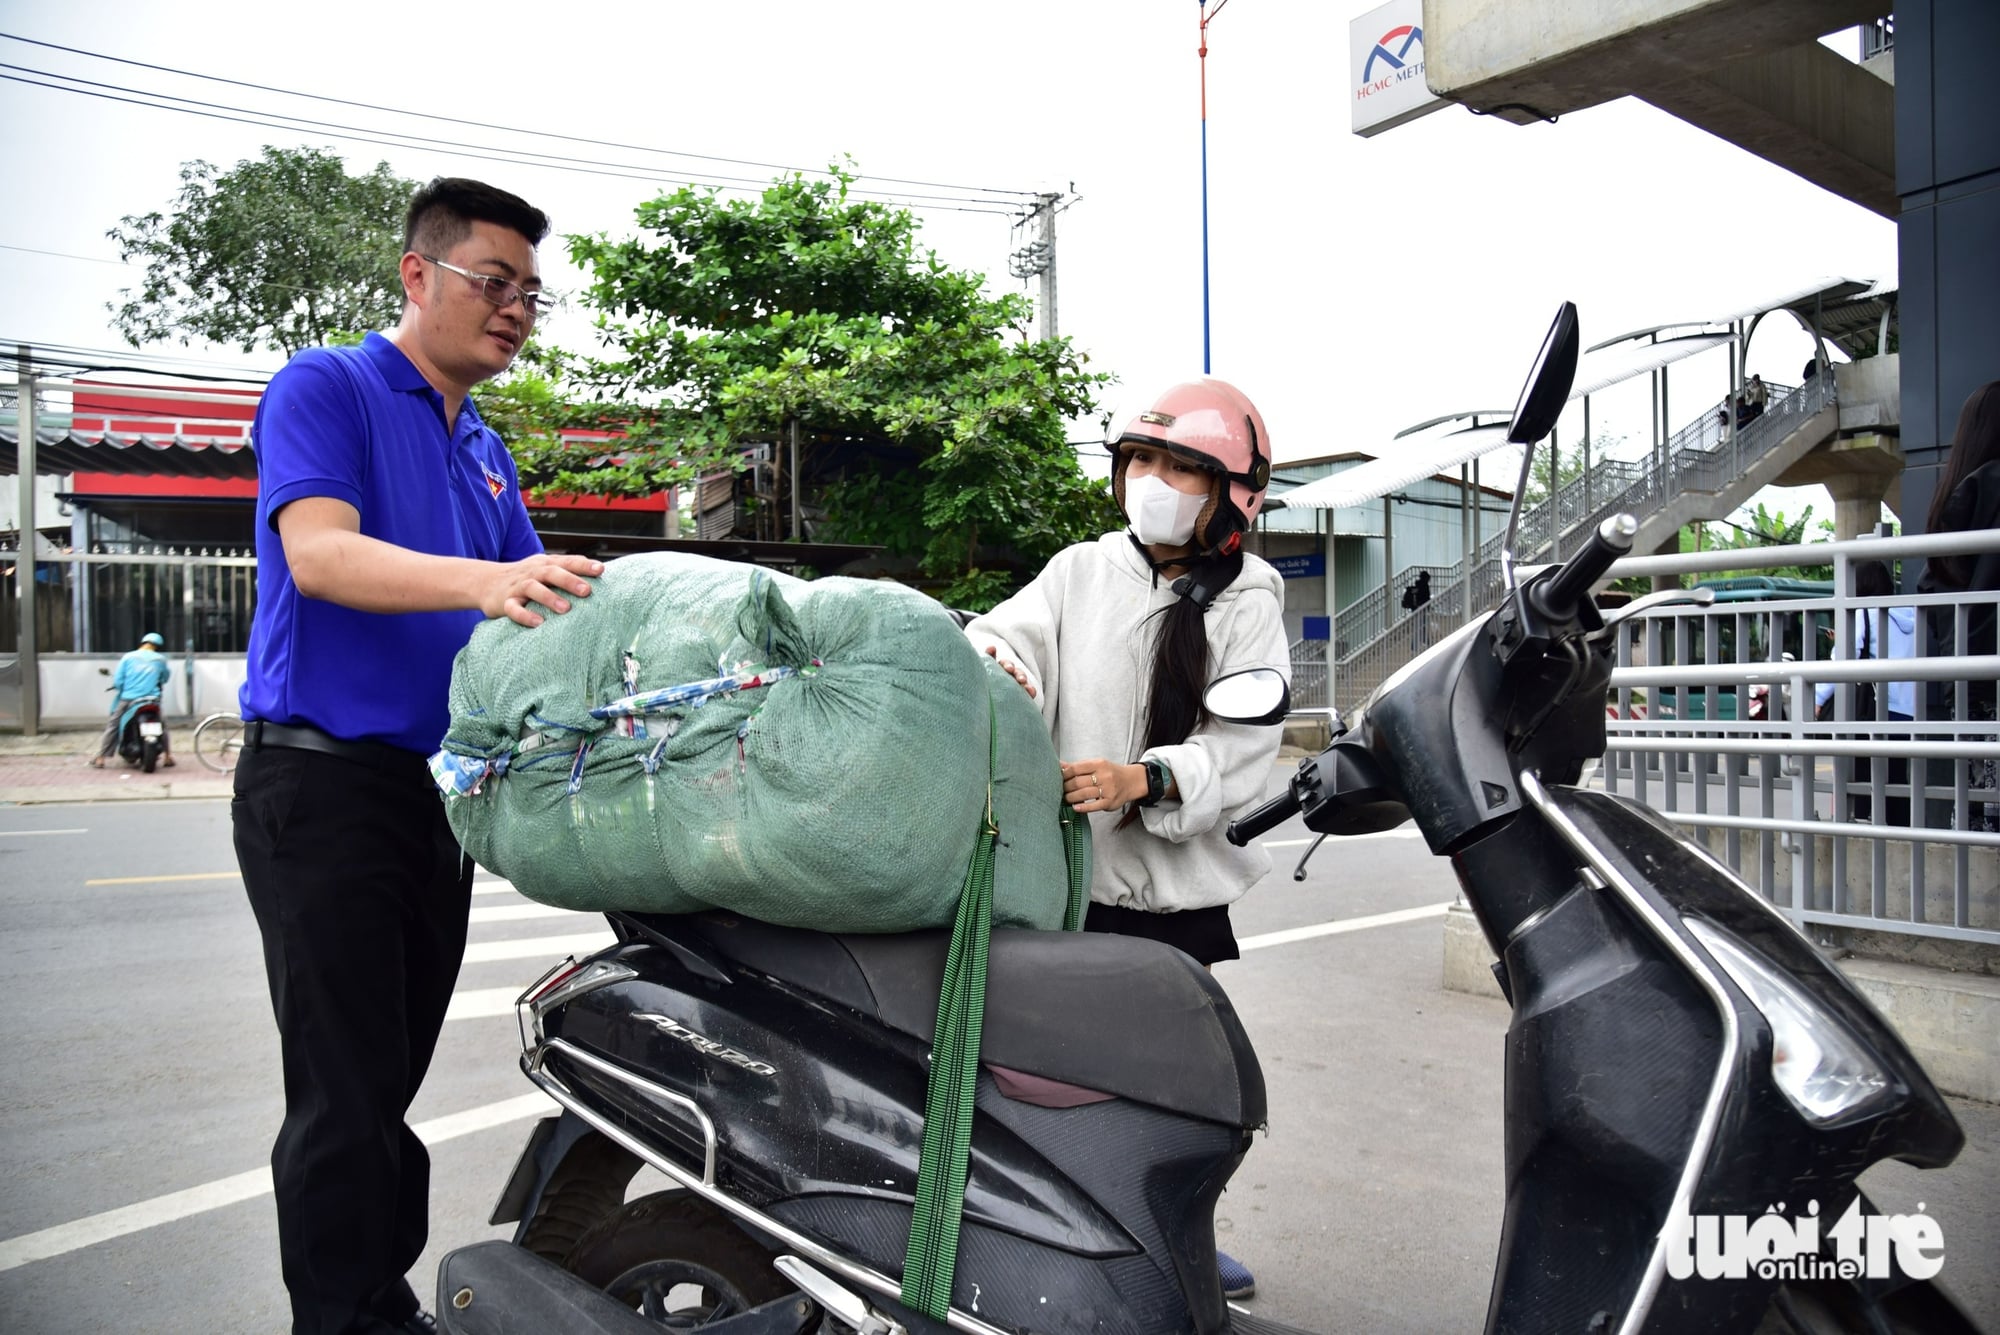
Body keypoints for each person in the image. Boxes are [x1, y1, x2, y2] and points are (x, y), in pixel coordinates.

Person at [233, 177, 604, 1335]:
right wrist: (490, 580)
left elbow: (538, 617)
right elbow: (325, 559)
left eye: (530, 294)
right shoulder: (326, 386)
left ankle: (376, 1309)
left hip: (430, 799)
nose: (513, 310)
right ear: (417, 275)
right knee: (344, 1096)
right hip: (323, 782)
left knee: (383, 1089)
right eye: (492, 283)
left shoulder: (484, 448)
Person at [965, 377, 1287, 1301]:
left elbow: (1245, 742)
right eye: (1139, 460)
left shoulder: (1252, 594)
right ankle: (1060, 1235)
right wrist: (1002, 669)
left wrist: (1145, 776)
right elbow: (1010, 638)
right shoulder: (1080, 568)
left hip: (1178, 898)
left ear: (1233, 494)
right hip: (1073, 883)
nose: (1151, 481)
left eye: (1180, 468)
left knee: (1177, 1088)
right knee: (1051, 1075)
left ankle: (1179, 1238)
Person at [1916, 380, 2000, 831]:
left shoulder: (1955, 491)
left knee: (1979, 804)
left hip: (1967, 675)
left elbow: (1932, 585)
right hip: (1990, 668)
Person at [1814, 560, 1915, 823]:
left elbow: (1842, 662)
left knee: (1862, 773)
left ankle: (1863, 827)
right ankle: (1901, 834)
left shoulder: (1862, 613)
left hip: (1875, 709)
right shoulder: (1913, 614)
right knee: (1896, 777)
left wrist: (1817, 698)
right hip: (1909, 709)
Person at [90, 630, 175, 767]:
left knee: (114, 724)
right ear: (156, 646)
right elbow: (165, 678)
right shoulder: (160, 659)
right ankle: (168, 756)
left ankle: (101, 757)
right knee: (162, 724)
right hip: (152, 699)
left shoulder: (128, 657)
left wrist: (124, 687)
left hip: (129, 699)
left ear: (143, 643)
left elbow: (118, 681)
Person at [1403, 569, 1432, 651]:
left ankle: (1421, 643)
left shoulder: (1416, 586)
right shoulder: (1424, 586)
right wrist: (1428, 607)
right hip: (1422, 608)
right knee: (1421, 626)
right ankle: (1421, 644)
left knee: (1418, 627)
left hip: (1415, 608)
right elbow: (1426, 598)